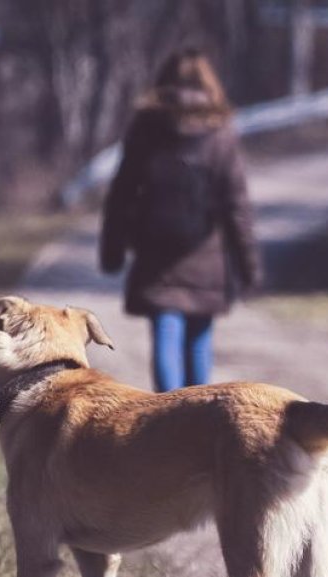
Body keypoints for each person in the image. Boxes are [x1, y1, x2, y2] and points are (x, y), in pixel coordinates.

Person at [100, 49, 261, 392]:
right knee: (199, 338)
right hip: (206, 252)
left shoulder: (146, 126)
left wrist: (112, 248)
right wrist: (248, 265)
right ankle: (198, 418)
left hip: (155, 251)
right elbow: (237, 205)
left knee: (165, 333)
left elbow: (122, 192)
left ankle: (167, 418)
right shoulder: (220, 129)